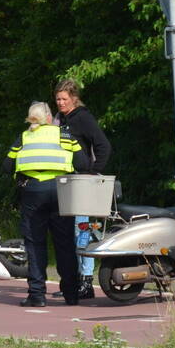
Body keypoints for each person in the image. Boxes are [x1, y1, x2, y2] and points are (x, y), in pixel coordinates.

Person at [5, 102, 89, 307]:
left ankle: (37, 294)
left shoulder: (24, 137)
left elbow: (7, 165)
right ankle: (71, 294)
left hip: (33, 192)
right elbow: (82, 164)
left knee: (35, 244)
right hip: (61, 190)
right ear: (50, 117)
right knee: (65, 243)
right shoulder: (65, 136)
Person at [52, 78, 112, 300]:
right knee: (68, 233)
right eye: (57, 99)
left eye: (64, 99)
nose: (60, 102)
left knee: (81, 231)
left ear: (74, 98)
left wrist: (93, 172)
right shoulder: (61, 119)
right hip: (66, 182)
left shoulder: (83, 117)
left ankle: (86, 282)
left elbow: (103, 145)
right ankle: (72, 281)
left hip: (82, 182)